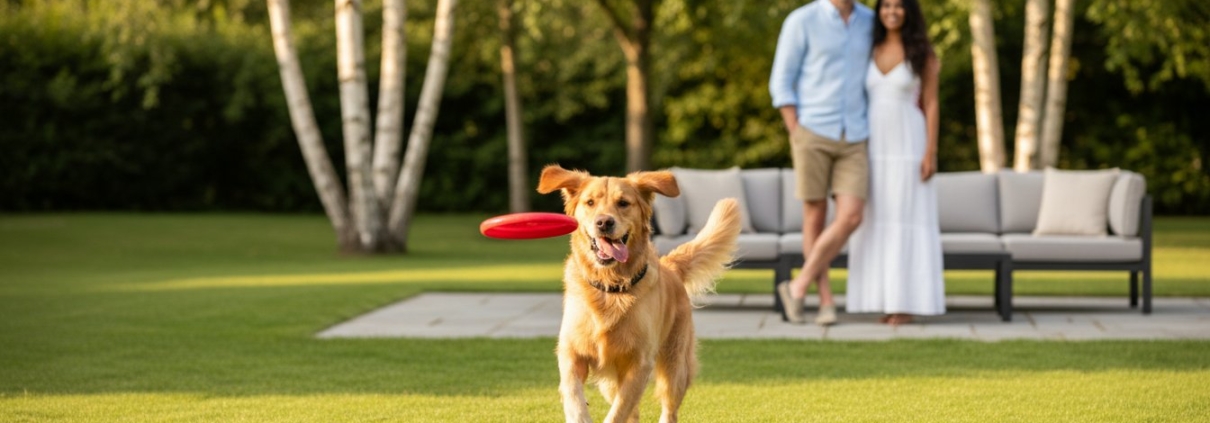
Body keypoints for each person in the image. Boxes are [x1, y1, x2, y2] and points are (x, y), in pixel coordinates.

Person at [769, 0, 875, 325]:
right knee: (815, 216)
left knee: (852, 216)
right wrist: (796, 131)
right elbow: (781, 81)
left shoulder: (870, 21)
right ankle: (826, 300)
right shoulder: (801, 20)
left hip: (855, 134)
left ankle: (798, 286)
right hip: (812, 132)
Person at [845, 0, 945, 325]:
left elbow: (931, 103)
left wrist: (930, 152)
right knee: (877, 222)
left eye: (899, 6)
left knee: (906, 220)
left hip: (909, 146)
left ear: (908, 12)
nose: (891, 11)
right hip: (872, 148)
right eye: (886, 5)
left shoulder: (922, 53)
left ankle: (906, 303)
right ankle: (885, 301)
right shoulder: (868, 49)